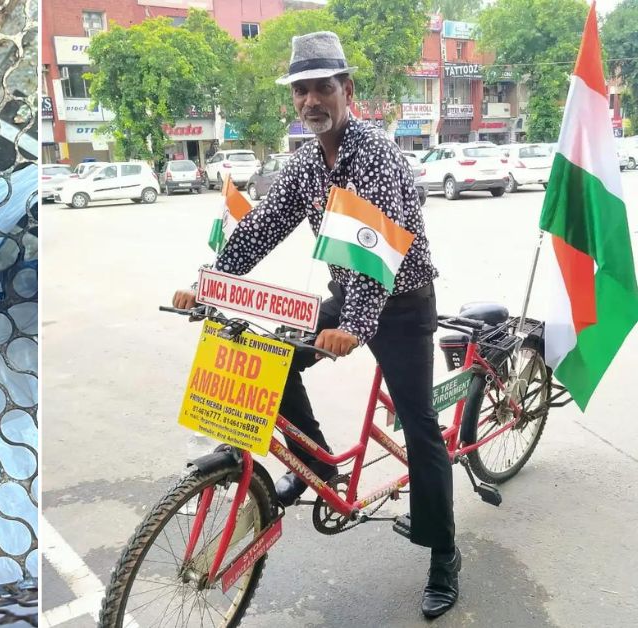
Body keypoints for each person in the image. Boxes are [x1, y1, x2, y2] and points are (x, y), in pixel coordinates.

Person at [171, 31, 460, 618]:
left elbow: (378, 253)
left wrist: (355, 326)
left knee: (420, 427)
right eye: (301, 91)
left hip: (400, 304)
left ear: (345, 90)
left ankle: (443, 551)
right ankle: (320, 467)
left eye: (322, 88)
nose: (311, 102)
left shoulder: (375, 154)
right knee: (266, 364)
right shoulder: (304, 164)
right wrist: (206, 285)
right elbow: (258, 229)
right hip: (344, 297)